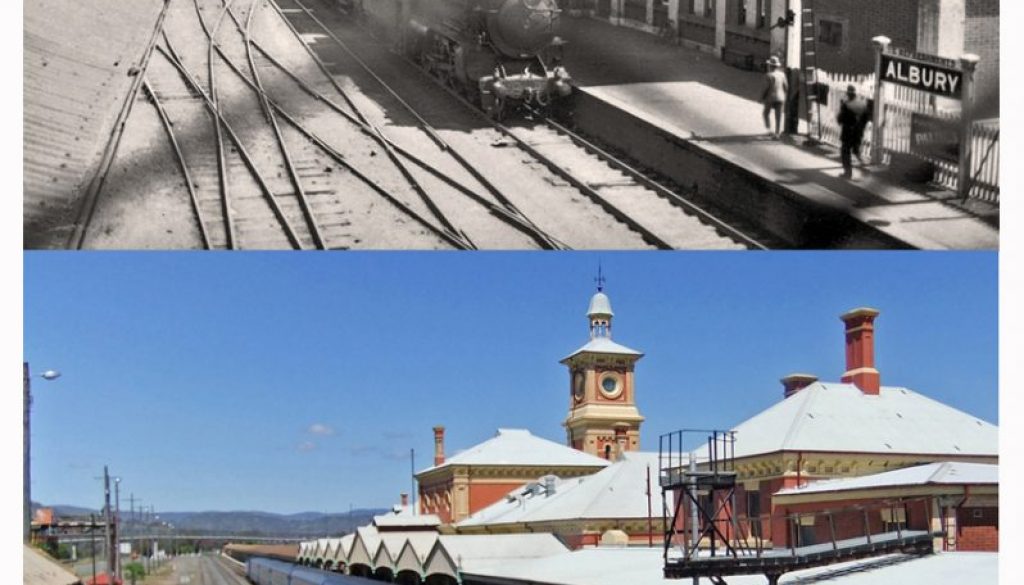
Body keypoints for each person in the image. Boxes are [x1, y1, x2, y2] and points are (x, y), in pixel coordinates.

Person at [837, 84, 870, 178]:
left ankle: (848, 172)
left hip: (847, 131)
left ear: (848, 93)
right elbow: (866, 118)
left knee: (845, 152)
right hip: (858, 132)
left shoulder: (846, 104)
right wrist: (861, 127)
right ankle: (864, 167)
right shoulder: (862, 104)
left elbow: (840, 119)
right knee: (856, 150)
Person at [760, 56, 788, 139]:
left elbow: (766, 88)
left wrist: (761, 97)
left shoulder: (768, 75)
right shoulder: (782, 74)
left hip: (770, 98)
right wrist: (784, 95)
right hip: (781, 98)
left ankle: (769, 130)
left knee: (765, 113)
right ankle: (777, 134)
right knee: (778, 116)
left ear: (770, 66)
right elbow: (786, 86)